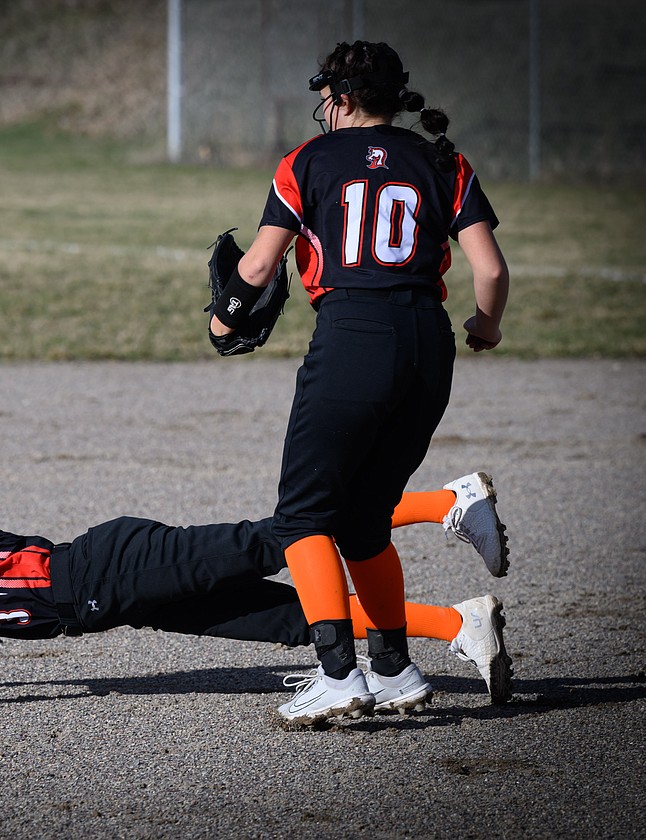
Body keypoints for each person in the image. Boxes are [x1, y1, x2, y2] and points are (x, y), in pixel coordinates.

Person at [207, 41, 510, 723]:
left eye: (326, 96)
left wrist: (224, 324)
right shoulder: (442, 159)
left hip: (352, 336)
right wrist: (485, 328)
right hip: (428, 345)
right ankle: (396, 668)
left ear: (340, 96)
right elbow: (489, 271)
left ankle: (339, 674)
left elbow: (256, 269)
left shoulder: (306, 161)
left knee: (303, 517)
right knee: (364, 517)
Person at [0, 454, 512, 711]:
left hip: (112, 571)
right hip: (119, 601)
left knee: (276, 537)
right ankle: (457, 626)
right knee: (294, 622)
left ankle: (446, 502)